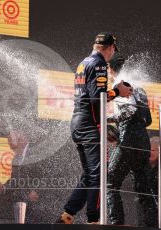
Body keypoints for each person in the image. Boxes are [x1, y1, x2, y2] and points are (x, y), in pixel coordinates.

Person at [56, 32, 132, 224]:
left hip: (79, 123)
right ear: (111, 48)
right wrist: (118, 91)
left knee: (90, 174)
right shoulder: (98, 64)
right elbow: (97, 97)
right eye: (114, 50)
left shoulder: (84, 62)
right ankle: (94, 221)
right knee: (99, 174)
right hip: (89, 125)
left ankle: (67, 216)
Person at [106, 53, 156, 227]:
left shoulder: (120, 84)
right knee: (144, 191)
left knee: (109, 182)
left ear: (110, 69)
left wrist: (110, 119)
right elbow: (147, 120)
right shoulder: (140, 88)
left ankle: (116, 224)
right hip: (144, 144)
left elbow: (130, 111)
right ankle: (151, 226)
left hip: (128, 141)